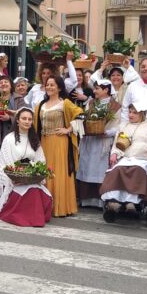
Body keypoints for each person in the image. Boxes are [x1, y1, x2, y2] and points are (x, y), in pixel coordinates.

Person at [99, 101, 147, 221]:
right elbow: (117, 145)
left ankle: (131, 204)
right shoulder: (124, 126)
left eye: (135, 113)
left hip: (143, 160)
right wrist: (113, 154)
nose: (131, 115)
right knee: (116, 170)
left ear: (143, 114)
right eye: (130, 112)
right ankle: (113, 203)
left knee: (136, 170)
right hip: (125, 158)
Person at [0, 108, 52, 227]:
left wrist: (37, 176)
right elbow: (5, 164)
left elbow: (40, 160)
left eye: (29, 119)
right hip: (15, 179)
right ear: (17, 120)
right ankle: (28, 218)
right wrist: (15, 178)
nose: (27, 121)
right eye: (24, 118)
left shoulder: (34, 139)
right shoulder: (9, 139)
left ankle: (34, 217)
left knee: (37, 189)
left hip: (30, 178)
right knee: (32, 191)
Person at [35, 75, 83, 217]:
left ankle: (60, 207)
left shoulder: (65, 103)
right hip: (43, 142)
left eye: (52, 85)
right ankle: (45, 205)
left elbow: (81, 115)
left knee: (57, 173)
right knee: (44, 173)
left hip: (59, 142)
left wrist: (68, 129)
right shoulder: (41, 105)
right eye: (47, 84)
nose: (49, 87)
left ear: (59, 87)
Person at [77, 79, 121, 208]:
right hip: (90, 141)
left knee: (101, 171)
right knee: (86, 168)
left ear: (106, 90)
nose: (94, 91)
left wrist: (107, 132)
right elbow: (84, 118)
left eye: (97, 88)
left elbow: (119, 126)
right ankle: (86, 200)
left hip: (104, 142)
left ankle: (101, 200)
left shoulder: (116, 106)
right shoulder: (90, 103)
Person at [0, 76, 25, 177]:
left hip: (14, 139)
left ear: (11, 85)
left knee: (12, 170)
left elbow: (25, 117)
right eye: (1, 83)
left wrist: (9, 118)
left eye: (6, 82)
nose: (3, 84)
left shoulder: (19, 99)